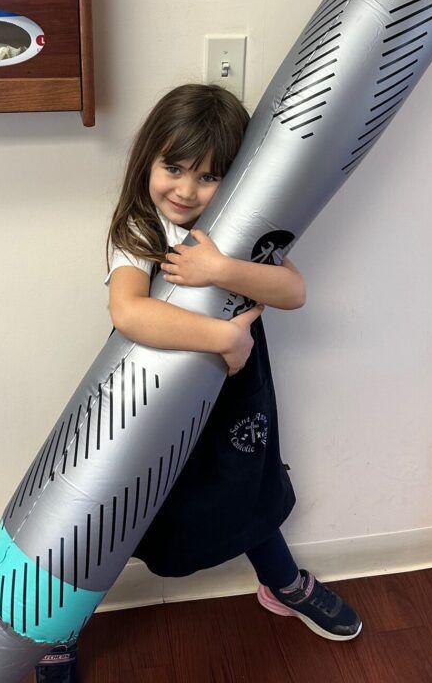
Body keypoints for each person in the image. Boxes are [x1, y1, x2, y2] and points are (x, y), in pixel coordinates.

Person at [36, 83, 361, 682]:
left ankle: (282, 583)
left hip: (234, 400)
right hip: (149, 401)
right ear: (148, 161)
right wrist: (225, 339)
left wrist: (222, 269)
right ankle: (60, 627)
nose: (186, 190)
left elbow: (293, 291)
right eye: (174, 167)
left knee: (250, 490)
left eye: (208, 176)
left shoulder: (238, 227)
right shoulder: (138, 228)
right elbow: (130, 313)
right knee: (111, 512)